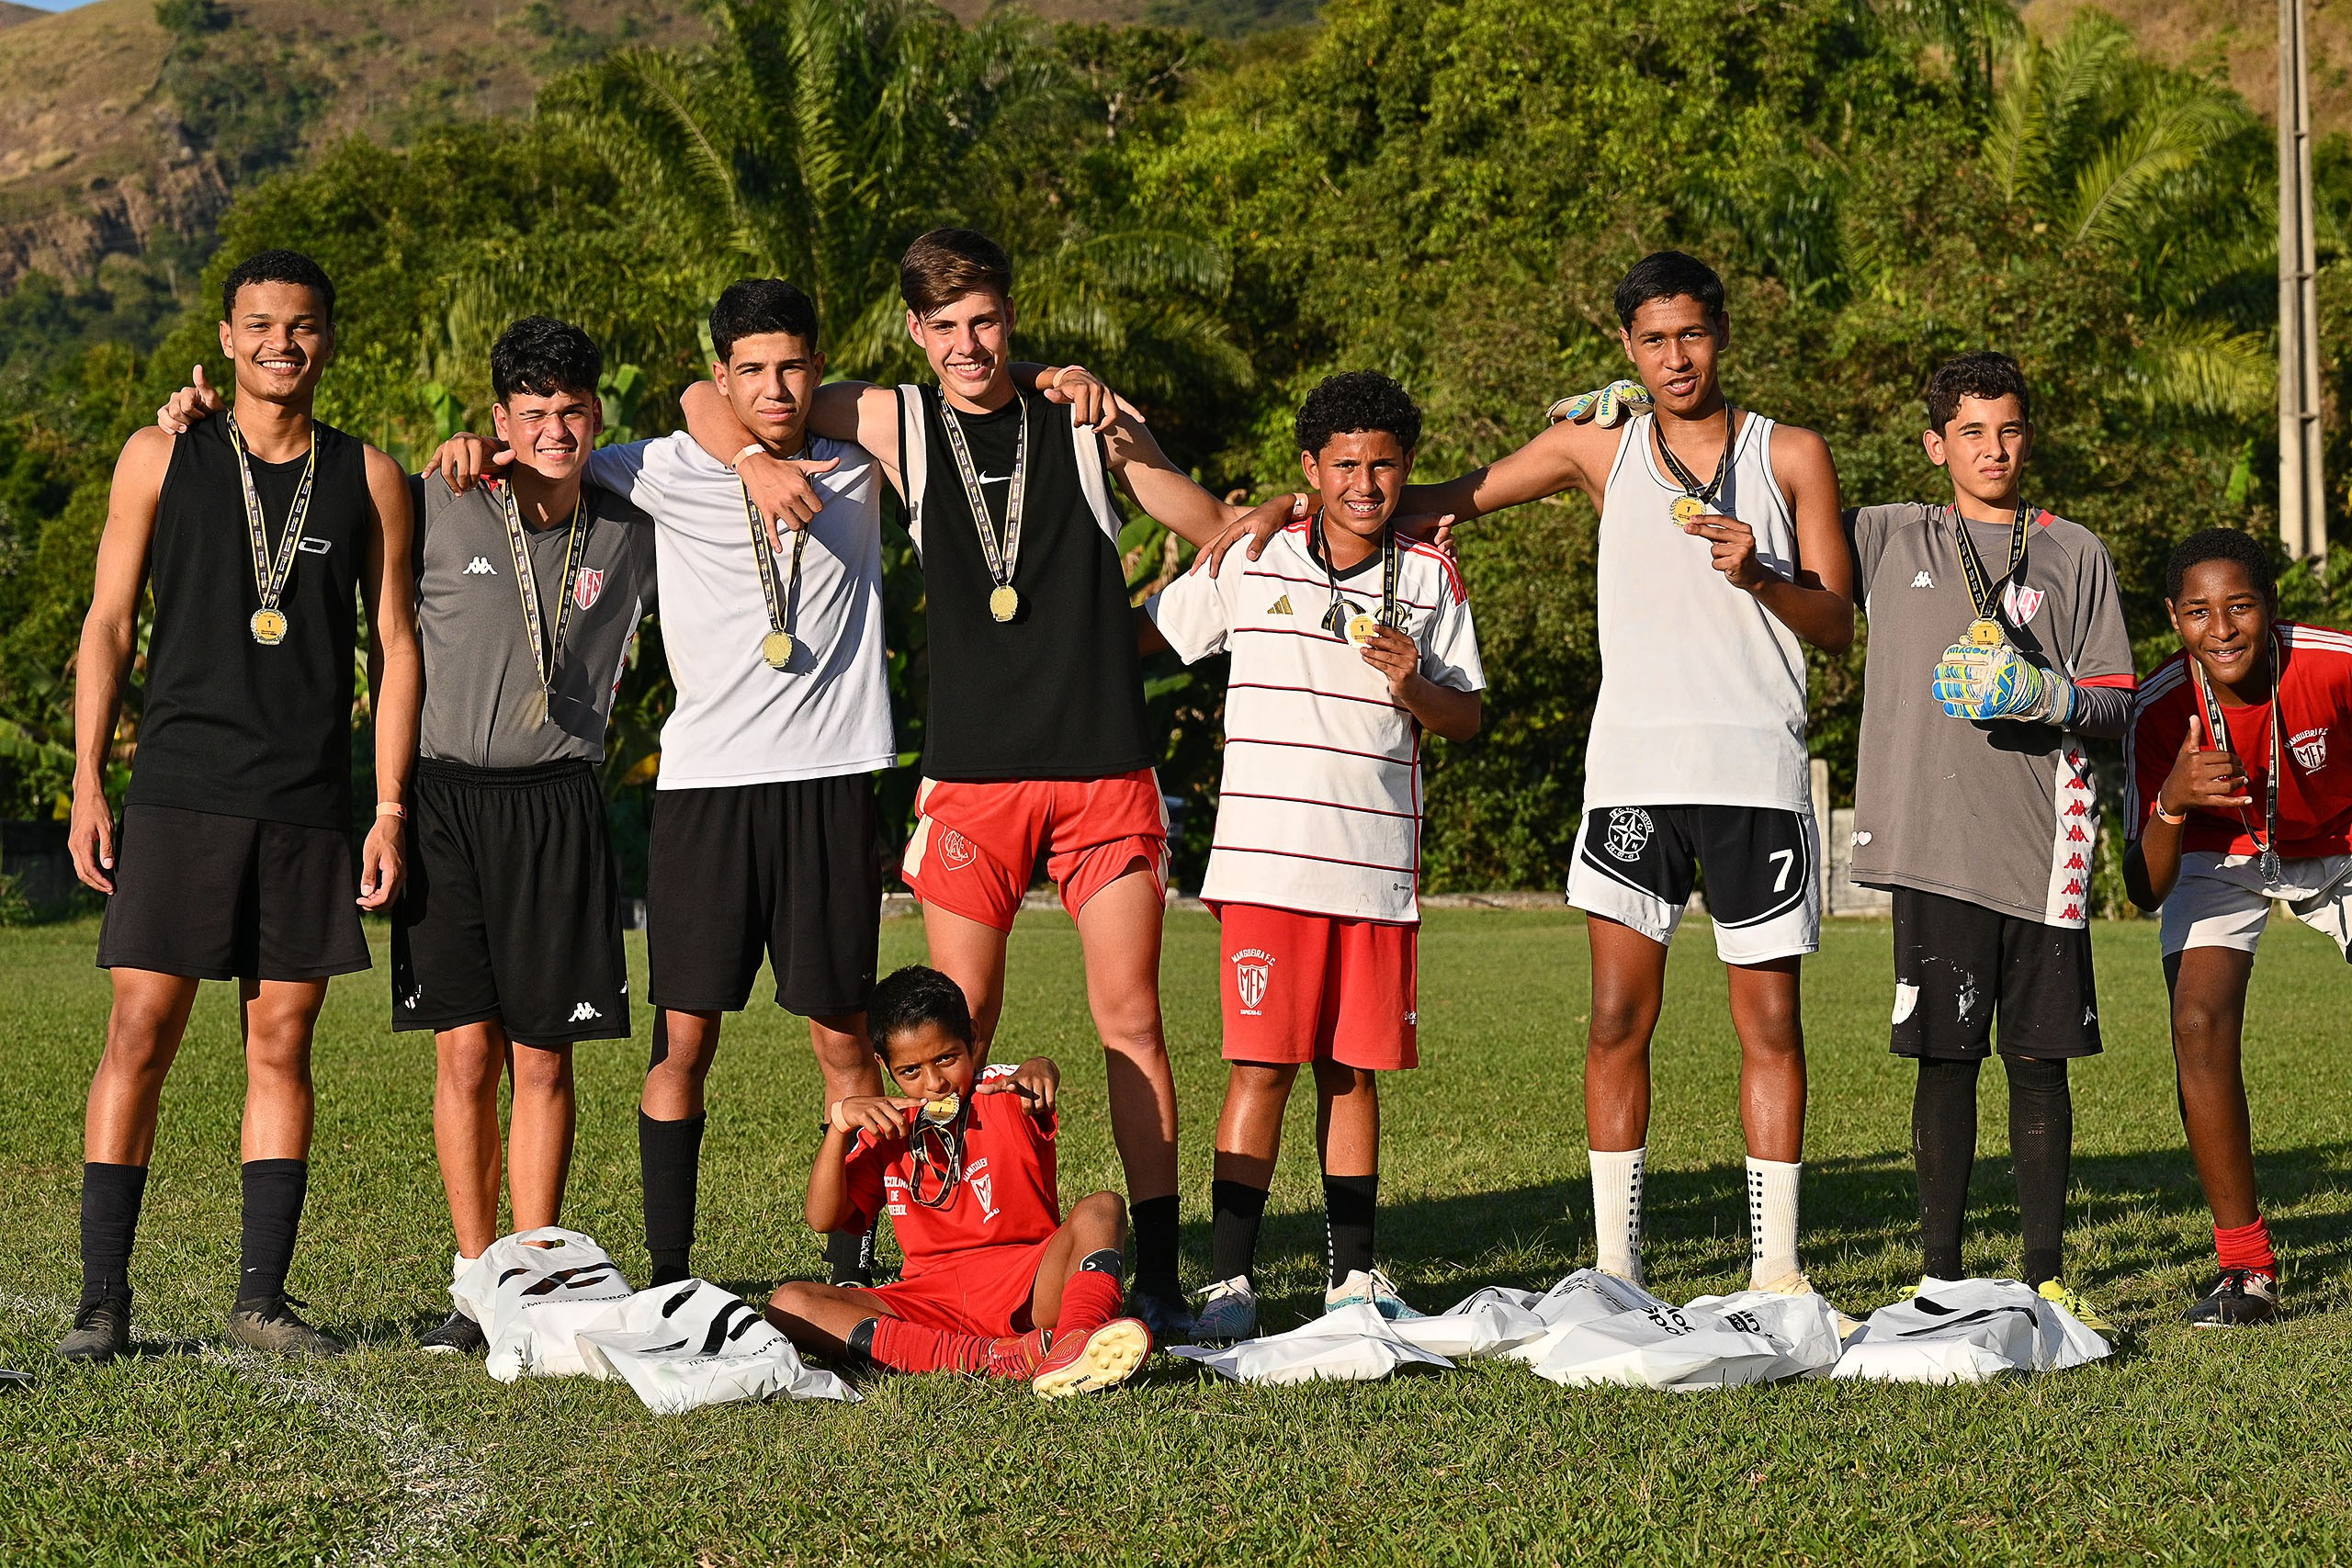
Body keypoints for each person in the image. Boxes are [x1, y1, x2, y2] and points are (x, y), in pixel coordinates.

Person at [410, 280, 1117, 1294]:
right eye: (751, 369)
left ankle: (860, 1265)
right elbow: (557, 455)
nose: (775, 387)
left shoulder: (866, 464)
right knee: (682, 1041)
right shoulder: (660, 466)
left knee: (842, 1042)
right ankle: (669, 1274)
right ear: (721, 377)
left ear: (817, 367)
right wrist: (489, 452)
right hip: (705, 790)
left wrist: (1053, 371)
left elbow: (971, 392)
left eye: (793, 366)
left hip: (828, 784)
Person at [684, 231, 1282, 1334]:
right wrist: (753, 466)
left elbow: (1197, 522)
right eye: (945, 327)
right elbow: (701, 392)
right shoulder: (898, 420)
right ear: (916, 331)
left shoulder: (1079, 414)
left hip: (1102, 763)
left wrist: (1263, 510)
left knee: (1131, 1021)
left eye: (986, 322)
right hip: (972, 779)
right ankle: (912, 1262)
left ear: (1012, 316)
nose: (968, 345)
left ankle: (1160, 1276)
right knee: (951, 1031)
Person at [1289, 251, 1854, 1295]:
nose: (1675, 357)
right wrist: (1292, 508)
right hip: (1634, 772)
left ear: (1720, 333)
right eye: (1653, 340)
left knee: (1770, 1025)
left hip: (1754, 777)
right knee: (1612, 1021)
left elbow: (1836, 625)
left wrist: (1761, 570)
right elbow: (1430, 501)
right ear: (1624, 350)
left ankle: (1775, 1272)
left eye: (1691, 334)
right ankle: (1617, 1268)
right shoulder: (1597, 447)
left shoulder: (1793, 456)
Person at [61, 249, 421, 1361]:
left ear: (328, 339)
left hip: (309, 802)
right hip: (178, 791)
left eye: (302, 325)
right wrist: (87, 777)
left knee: (282, 1041)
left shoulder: (369, 476)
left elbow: (397, 645)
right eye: (261, 324)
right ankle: (101, 1305)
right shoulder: (159, 455)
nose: (282, 343)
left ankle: (261, 1301)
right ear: (224, 335)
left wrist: (389, 806)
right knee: (139, 1031)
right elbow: (108, 624)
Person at [1141, 371, 1483, 1341]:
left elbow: (1465, 720)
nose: (1364, 484)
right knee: (1259, 1070)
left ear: (1405, 469)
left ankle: (1351, 1279)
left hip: (1373, 871)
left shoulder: (1430, 577)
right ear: (1309, 469)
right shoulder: (1250, 553)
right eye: (1344, 465)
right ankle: (1232, 1286)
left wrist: (1417, 685)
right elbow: (1150, 639)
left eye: (1382, 465)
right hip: (1263, 869)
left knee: (1352, 1074)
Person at [1845, 352, 2134, 1326]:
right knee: (1944, 1059)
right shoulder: (1887, 535)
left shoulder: (2073, 551)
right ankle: (1939, 1269)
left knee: (2039, 1062)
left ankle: (2045, 1273)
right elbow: (1772, 523)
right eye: (1971, 432)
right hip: (1930, 842)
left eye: (2008, 429)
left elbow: (2117, 703)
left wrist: (2052, 697)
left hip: (2040, 848)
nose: (1994, 449)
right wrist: (1643, 439)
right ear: (1935, 445)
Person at [2124, 528, 2352, 1326]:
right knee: (2196, 1018)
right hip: (2220, 854)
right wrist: (2174, 802)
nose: (2220, 628)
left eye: (2240, 605)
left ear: (2271, 607)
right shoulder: (2159, 709)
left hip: (2340, 847)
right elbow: (2143, 886)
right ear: (2173, 618)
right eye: (2198, 611)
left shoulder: (2332, 661)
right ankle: (2246, 1268)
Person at [766, 965, 1151, 1398]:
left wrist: (1043, 1069)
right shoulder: (888, 1128)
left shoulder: (1001, 1092)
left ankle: (1075, 1341)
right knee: (789, 1304)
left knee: (1104, 1206)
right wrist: (839, 1126)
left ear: (970, 1036)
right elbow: (822, 1218)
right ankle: (985, 1357)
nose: (934, 1083)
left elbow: (1037, 1075)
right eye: (910, 1070)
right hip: (929, 1300)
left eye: (946, 1058)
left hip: (1030, 1283)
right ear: (884, 1065)